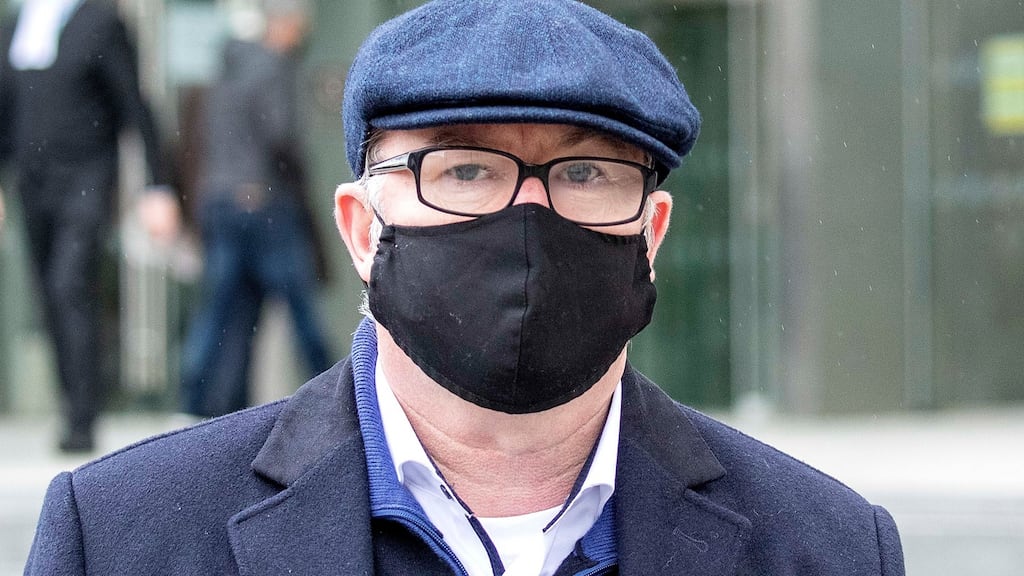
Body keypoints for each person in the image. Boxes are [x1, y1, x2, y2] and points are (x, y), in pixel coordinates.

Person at [23, 0, 906, 573]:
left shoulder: (828, 548)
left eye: (587, 174)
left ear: (653, 233)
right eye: (465, 170)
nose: (528, 217)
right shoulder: (121, 539)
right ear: (365, 229)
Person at [0, 0, 175, 453]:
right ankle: (70, 403)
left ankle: (83, 415)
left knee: (69, 284)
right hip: (31, 185)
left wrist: (158, 187)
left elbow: (134, 104)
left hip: (86, 178)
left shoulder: (99, 20)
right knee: (47, 293)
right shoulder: (18, 23)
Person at [179, 0, 333, 418]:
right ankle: (342, 395)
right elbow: (281, 136)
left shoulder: (223, 70)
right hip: (265, 203)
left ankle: (200, 405)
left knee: (224, 313)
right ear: (286, 25)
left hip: (220, 203)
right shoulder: (273, 66)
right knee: (301, 307)